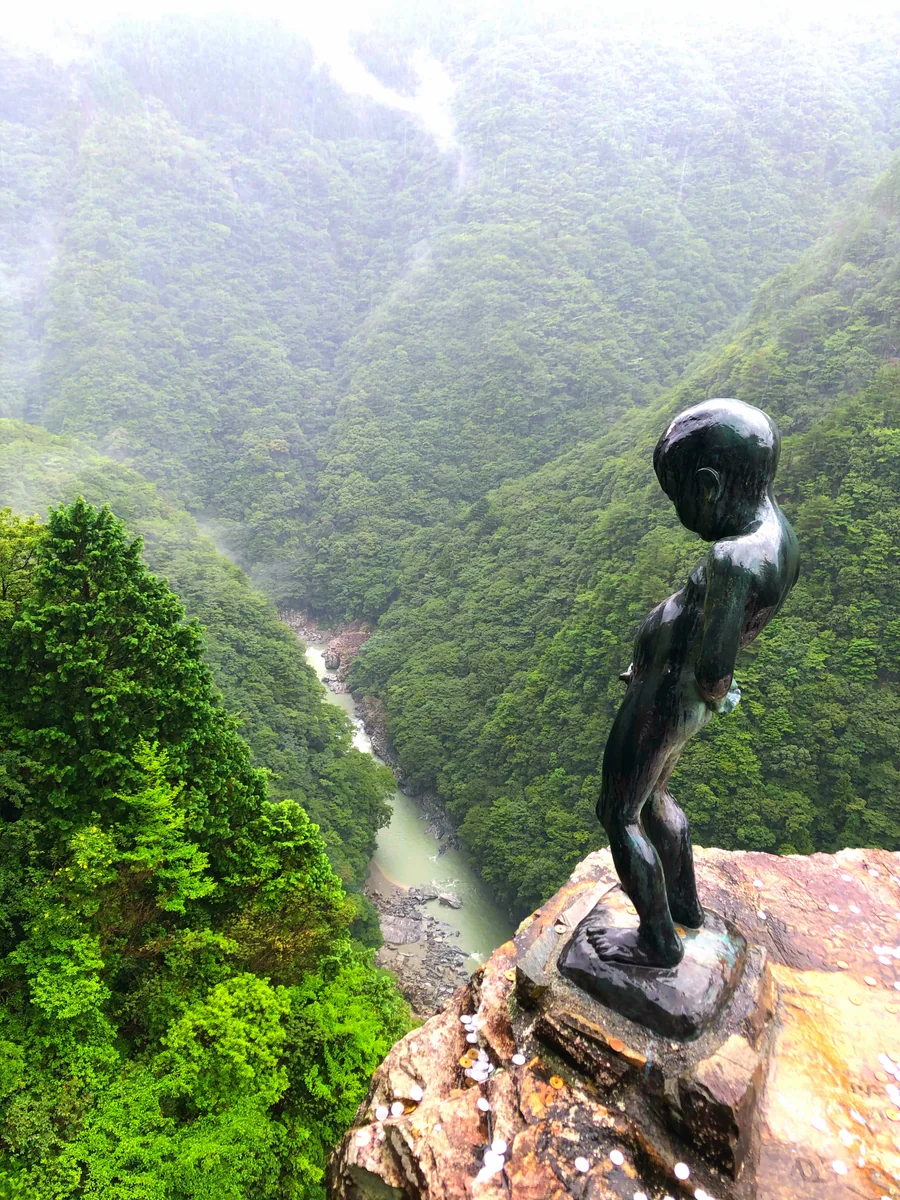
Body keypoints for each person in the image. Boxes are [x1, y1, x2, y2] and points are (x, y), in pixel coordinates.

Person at [587, 398, 800, 968]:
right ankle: (685, 909)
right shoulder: (779, 536)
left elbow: (712, 665)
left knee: (620, 810)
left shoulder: (733, 558)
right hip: (678, 697)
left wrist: (707, 688)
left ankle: (656, 942)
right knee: (654, 796)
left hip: (666, 694)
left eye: (679, 495)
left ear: (706, 486)